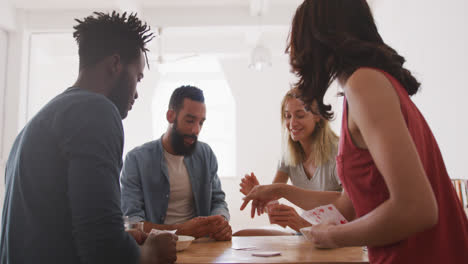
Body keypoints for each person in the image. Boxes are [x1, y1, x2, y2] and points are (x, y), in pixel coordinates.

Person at [241, 0, 468, 263]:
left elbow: (418, 209)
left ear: (321, 38)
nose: (293, 51)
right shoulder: (369, 86)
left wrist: (334, 237)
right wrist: (280, 190)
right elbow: (346, 206)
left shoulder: (365, 83)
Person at [0, 11, 178, 264]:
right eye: (137, 78)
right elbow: (103, 248)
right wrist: (150, 252)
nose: (137, 94)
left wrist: (123, 238)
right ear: (115, 64)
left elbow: (60, 227)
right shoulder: (96, 110)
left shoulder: (42, 120)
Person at [121, 85, 232, 241]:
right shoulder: (136, 159)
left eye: (201, 123)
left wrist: (220, 220)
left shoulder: (206, 154)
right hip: (157, 249)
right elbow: (132, 221)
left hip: (201, 247)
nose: (196, 130)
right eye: (190, 120)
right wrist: (181, 231)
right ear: (170, 116)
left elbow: (218, 200)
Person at [236, 88, 340, 235]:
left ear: (318, 116)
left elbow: (347, 201)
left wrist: (282, 192)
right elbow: (274, 199)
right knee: (241, 234)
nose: (292, 123)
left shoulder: (338, 151)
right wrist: (263, 198)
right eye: (287, 116)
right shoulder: (289, 156)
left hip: (335, 234)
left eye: (300, 115)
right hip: (304, 231)